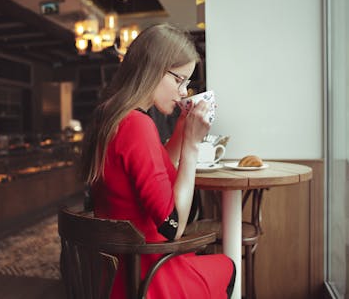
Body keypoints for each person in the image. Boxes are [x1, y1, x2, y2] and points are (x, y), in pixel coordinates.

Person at [81, 23, 235, 299]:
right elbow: (173, 226)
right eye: (179, 80)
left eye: (187, 84)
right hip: (147, 276)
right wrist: (191, 147)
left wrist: (181, 133)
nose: (183, 92)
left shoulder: (111, 115)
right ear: (153, 68)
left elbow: (154, 167)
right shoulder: (137, 125)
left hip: (115, 272)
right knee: (227, 266)